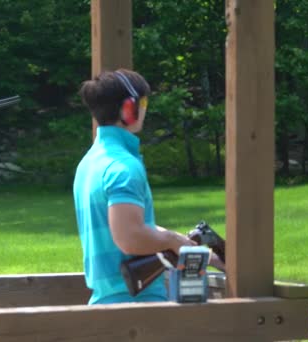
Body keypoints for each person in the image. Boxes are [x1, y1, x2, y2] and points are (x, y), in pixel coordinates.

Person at [73, 69, 223, 305]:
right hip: (137, 309)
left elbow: (131, 225)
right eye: (143, 102)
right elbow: (130, 237)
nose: (146, 108)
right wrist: (171, 240)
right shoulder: (123, 167)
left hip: (110, 303)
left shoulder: (90, 163)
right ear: (128, 109)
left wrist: (198, 252)